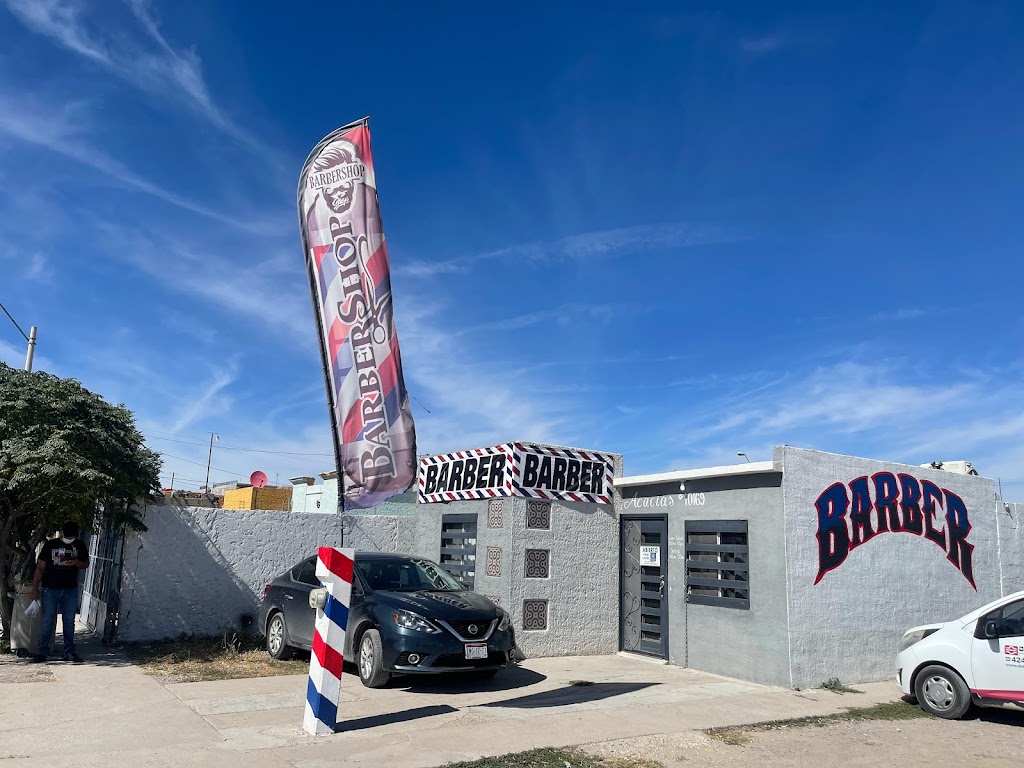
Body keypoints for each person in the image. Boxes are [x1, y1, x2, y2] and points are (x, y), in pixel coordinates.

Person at [29, 522, 89, 663]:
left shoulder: (79, 545)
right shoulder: (51, 545)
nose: (69, 538)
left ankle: (69, 651)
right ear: (62, 533)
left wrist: (75, 563)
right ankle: (42, 651)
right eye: (68, 535)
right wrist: (35, 587)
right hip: (50, 588)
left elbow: (85, 564)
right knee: (48, 620)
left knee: (69, 621)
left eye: (72, 536)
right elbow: (40, 567)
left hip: (70, 589)